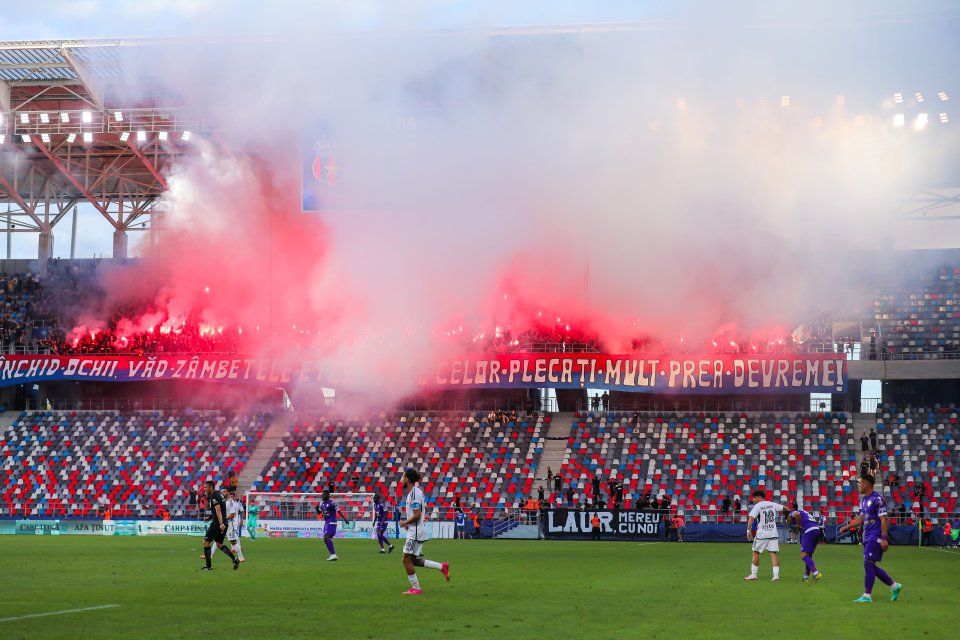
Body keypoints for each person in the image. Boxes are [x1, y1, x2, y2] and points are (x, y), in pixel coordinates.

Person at [839, 472, 902, 603]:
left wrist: (884, 538)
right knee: (870, 565)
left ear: (867, 484)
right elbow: (862, 517)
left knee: (868, 564)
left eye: (860, 482)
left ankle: (867, 595)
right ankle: (894, 586)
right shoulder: (864, 500)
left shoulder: (877, 499)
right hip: (867, 536)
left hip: (876, 536)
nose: (859, 485)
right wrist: (848, 526)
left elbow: (884, 519)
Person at [399, 469, 450, 595]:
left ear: (407, 479)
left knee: (406, 559)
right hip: (416, 529)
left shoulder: (414, 493)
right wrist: (411, 522)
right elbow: (424, 508)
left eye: (403, 477)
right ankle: (442, 566)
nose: (401, 479)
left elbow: (417, 514)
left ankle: (416, 588)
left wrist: (405, 522)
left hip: (416, 531)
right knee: (413, 560)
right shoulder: (416, 492)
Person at [744, 489, 785, 582]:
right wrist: (790, 513)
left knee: (755, 552)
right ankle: (776, 576)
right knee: (773, 553)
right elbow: (784, 508)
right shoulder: (772, 504)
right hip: (773, 532)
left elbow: (751, 518)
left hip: (762, 533)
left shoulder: (758, 506)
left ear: (759, 497)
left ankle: (754, 575)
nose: (753, 500)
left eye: (754, 498)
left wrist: (748, 530)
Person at [199, 480, 239, 572]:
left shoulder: (214, 497)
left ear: (211, 487)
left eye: (206, 487)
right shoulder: (219, 495)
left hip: (218, 524)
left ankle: (208, 566)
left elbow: (218, 510)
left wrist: (220, 523)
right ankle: (235, 559)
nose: (204, 489)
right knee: (219, 544)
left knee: (206, 542)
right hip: (224, 522)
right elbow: (220, 509)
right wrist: (210, 517)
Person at [787, 507, 822, 583]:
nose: (788, 522)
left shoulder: (791, 513)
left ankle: (816, 573)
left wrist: (799, 525)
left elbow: (797, 514)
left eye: (787, 520)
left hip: (809, 530)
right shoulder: (804, 512)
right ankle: (805, 577)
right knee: (808, 555)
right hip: (817, 530)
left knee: (803, 555)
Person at [316, 489, 349, 561]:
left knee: (326, 537)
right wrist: (316, 508)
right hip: (327, 522)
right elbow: (319, 513)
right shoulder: (323, 504)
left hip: (332, 522)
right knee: (325, 539)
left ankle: (333, 555)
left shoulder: (332, 503)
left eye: (323, 494)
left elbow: (338, 511)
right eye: (322, 494)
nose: (322, 496)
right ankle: (333, 555)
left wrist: (345, 519)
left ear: (328, 495)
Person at [225, 489, 245, 562]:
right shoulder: (228, 503)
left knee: (234, 536)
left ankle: (238, 549)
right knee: (233, 536)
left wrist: (241, 520)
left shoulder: (238, 504)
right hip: (229, 522)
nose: (231, 497)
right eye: (230, 496)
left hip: (234, 521)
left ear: (234, 497)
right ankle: (235, 548)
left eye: (232, 496)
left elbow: (242, 511)